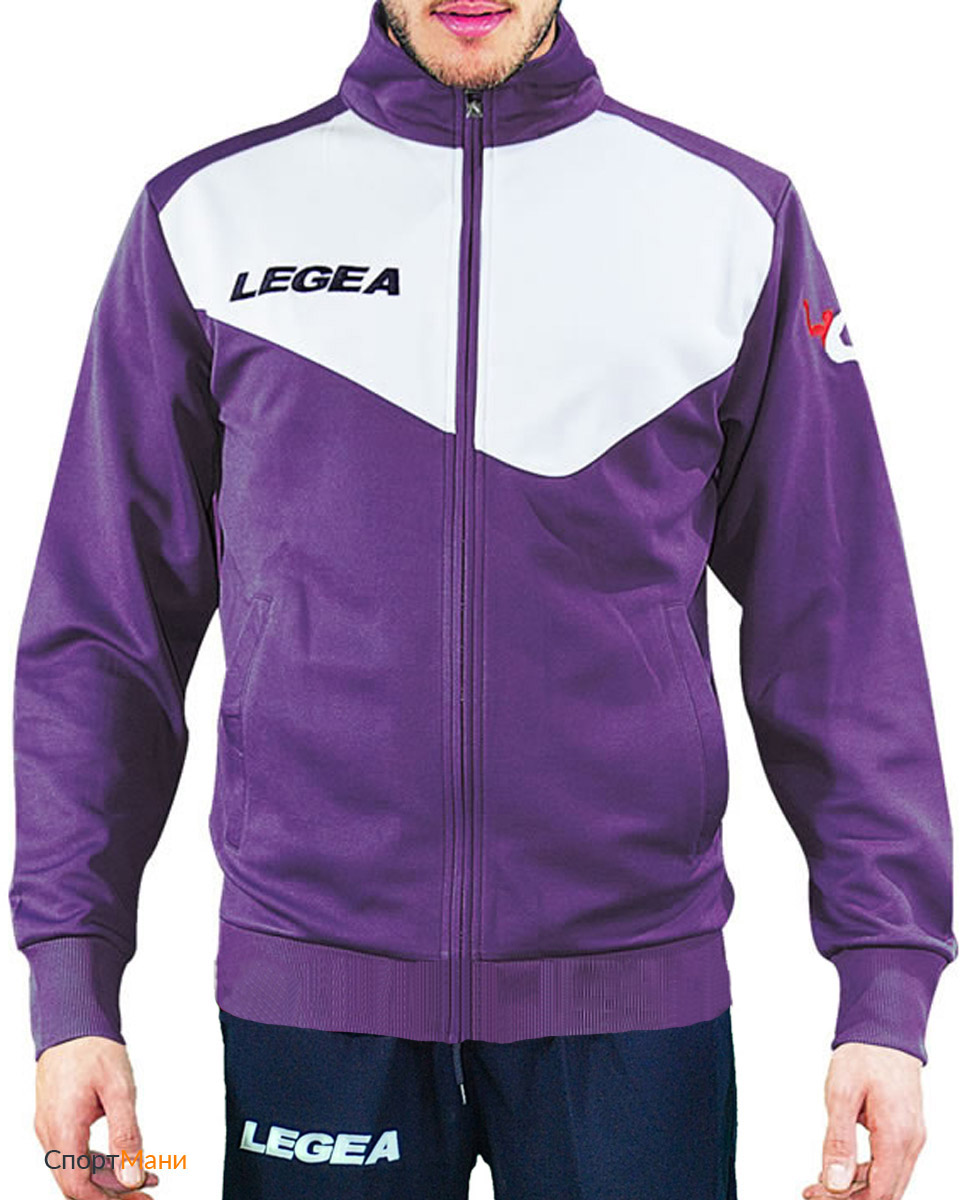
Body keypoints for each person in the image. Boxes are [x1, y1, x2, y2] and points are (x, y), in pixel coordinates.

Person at [12, 2, 956, 1198]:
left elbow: (840, 623)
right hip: (314, 995)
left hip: (632, 1002)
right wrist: (71, 983)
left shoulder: (729, 221)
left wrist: (885, 987)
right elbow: (106, 630)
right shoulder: (207, 220)